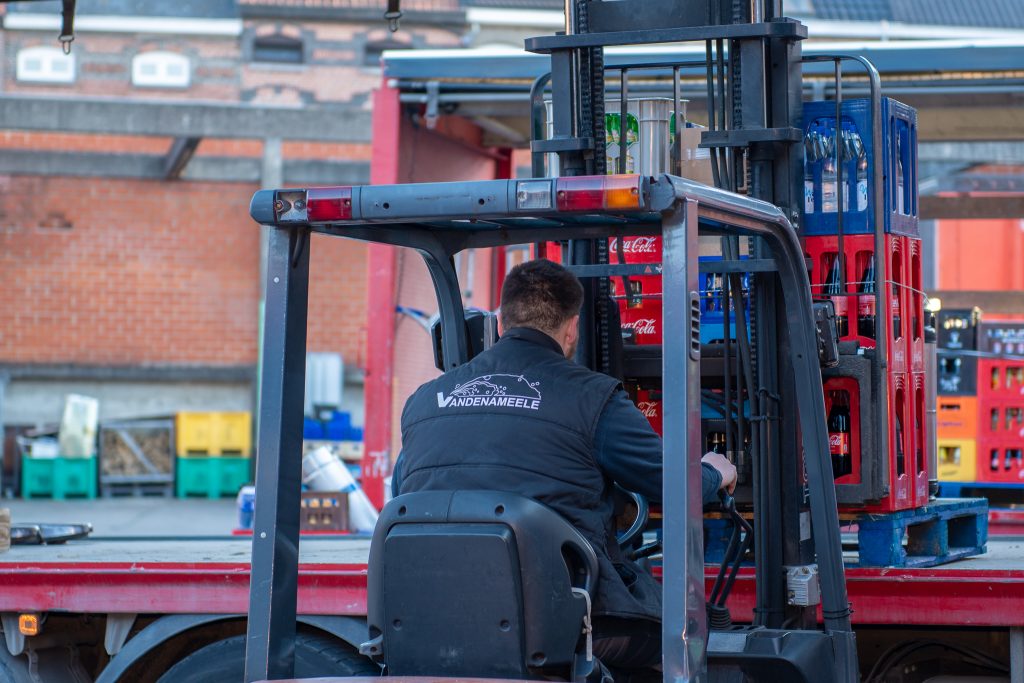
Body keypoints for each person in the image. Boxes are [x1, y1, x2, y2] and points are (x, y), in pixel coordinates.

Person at [391, 258, 737, 672]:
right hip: (558, 622)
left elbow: (405, 493)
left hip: (435, 611)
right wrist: (715, 471)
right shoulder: (593, 398)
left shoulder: (423, 401)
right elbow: (676, 485)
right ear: (572, 328)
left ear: (500, 322)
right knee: (685, 628)